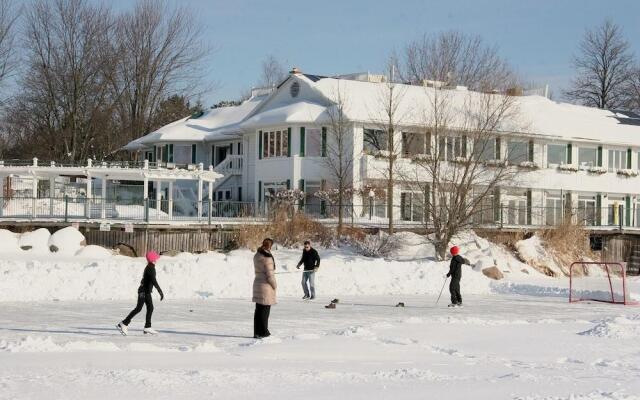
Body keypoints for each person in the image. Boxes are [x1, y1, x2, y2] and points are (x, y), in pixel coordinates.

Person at [117, 251, 164, 335]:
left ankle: (147, 327)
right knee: (138, 308)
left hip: (146, 291)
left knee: (150, 308)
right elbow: (154, 281)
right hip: (143, 291)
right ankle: (124, 323)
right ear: (153, 259)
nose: (157, 260)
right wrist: (160, 291)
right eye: (156, 258)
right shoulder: (151, 268)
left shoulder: (150, 267)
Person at [252, 238, 277, 339]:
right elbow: (270, 275)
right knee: (265, 310)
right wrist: (274, 285)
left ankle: (257, 332)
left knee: (258, 310)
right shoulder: (267, 257)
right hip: (266, 286)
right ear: (270, 246)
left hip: (258, 283)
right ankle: (264, 332)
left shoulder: (257, 255)